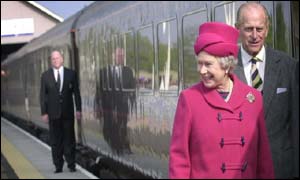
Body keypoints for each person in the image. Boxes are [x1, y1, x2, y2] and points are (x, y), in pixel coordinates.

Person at [169, 22, 274, 178]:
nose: (202, 71)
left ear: (226, 65)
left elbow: (263, 159)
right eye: (199, 64)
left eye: (208, 64)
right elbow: (179, 160)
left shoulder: (253, 99)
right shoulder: (189, 99)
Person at [234, 2, 299, 178]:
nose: (255, 35)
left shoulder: (289, 67)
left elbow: (296, 123)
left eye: (259, 29)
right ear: (237, 29)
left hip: (281, 169)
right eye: (248, 29)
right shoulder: (226, 69)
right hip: (239, 170)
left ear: (267, 29)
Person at [40, 50, 82, 173]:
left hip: (68, 113)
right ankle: (58, 165)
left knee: (69, 139)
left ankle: (71, 164)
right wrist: (44, 112)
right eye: (53, 59)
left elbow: (76, 93)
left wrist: (78, 109)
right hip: (53, 114)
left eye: (57, 58)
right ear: (51, 61)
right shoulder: (45, 76)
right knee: (55, 141)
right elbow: (43, 95)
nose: (55, 60)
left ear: (62, 59)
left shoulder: (71, 74)